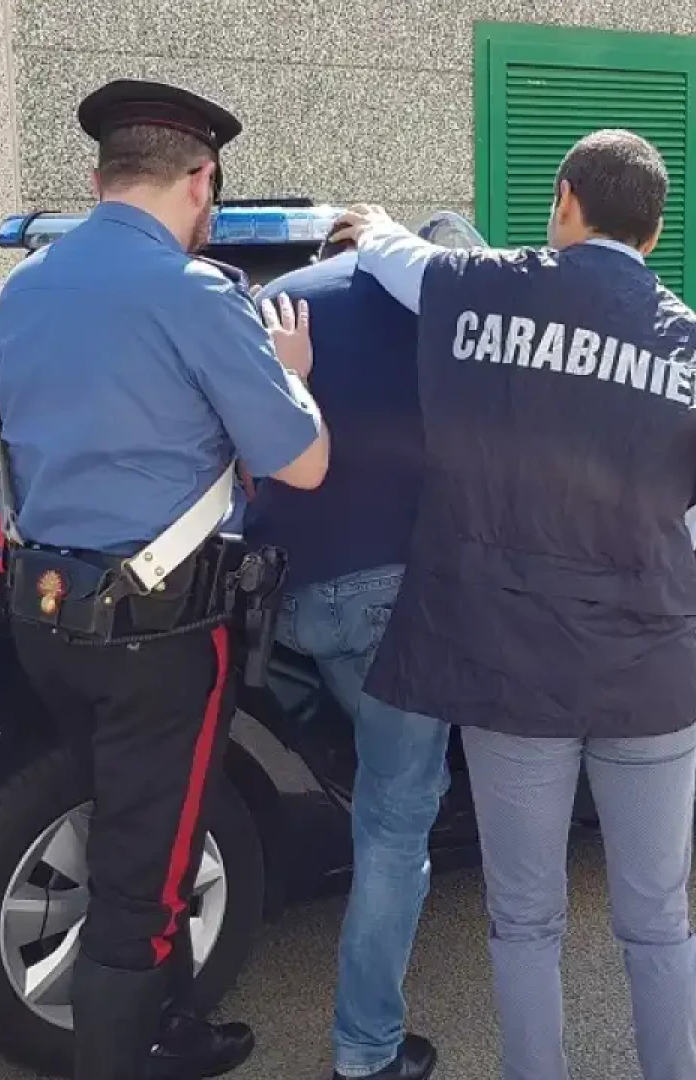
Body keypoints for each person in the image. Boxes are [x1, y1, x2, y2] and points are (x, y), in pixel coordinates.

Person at [327, 131, 696, 1080]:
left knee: (524, 918)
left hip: (512, 668)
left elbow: (407, 263)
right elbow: (695, 503)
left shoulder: (493, 286)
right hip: (647, 672)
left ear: (566, 201)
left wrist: (370, 226)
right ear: (654, 233)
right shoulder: (692, 343)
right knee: (658, 919)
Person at [0, 79, 331, 1080]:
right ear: (201, 182)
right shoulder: (194, 295)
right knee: (139, 889)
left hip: (46, 617)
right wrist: (292, 372)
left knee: (135, 836)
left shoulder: (28, 288)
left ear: (99, 180)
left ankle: (172, 1030)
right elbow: (302, 462)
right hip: (160, 639)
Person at [243, 227, 461, 1080]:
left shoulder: (277, 303)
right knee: (394, 826)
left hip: (280, 592)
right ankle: (367, 1052)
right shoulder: (436, 309)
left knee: (367, 778)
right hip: (384, 598)